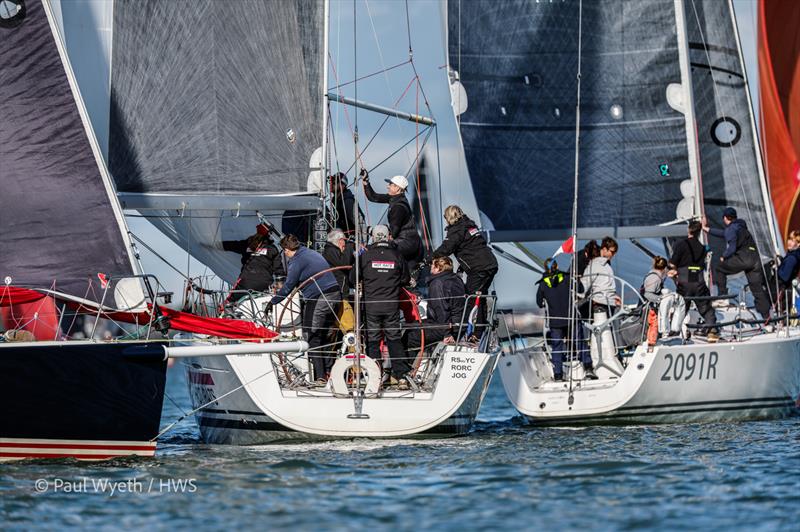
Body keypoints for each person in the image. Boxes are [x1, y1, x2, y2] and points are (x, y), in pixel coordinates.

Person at [269, 234, 341, 384]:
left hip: (319, 297)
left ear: (287, 250)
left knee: (311, 335)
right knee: (325, 334)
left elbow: (288, 285)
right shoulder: (310, 252)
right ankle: (330, 371)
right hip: (335, 294)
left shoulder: (296, 261)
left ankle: (321, 377)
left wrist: (273, 302)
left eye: (285, 252)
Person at [351, 225, 410, 387]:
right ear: (387, 236)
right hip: (391, 305)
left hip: (371, 306)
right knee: (394, 340)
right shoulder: (397, 255)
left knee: (373, 341)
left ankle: (374, 375)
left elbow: (352, 278)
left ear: (374, 237)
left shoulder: (365, 255)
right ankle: (402, 376)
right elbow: (405, 279)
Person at [432, 205, 498, 340]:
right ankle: (480, 330)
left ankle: (472, 334)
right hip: (490, 264)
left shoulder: (456, 230)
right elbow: (472, 248)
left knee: (470, 299)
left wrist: (430, 258)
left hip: (479, 268)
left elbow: (446, 248)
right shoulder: (469, 226)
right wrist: (462, 267)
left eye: (446, 217)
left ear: (449, 217)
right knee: (480, 297)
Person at [702, 207, 771, 318]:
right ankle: (767, 317)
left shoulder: (731, 229)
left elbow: (732, 248)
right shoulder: (741, 227)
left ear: (725, 218)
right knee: (757, 290)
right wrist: (707, 229)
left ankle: (723, 298)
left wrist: (724, 257)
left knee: (719, 268)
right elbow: (723, 233)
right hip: (755, 259)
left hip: (743, 259)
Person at [537, 259, 594, 381]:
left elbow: (539, 303)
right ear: (556, 266)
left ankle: (558, 374)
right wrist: (575, 279)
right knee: (579, 342)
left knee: (557, 347)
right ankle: (588, 368)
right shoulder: (567, 278)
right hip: (571, 318)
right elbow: (580, 289)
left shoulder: (542, 284)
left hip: (555, 322)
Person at [360, 169, 424, 271]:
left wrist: (372, 231)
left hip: (407, 243)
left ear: (398, 188)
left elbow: (393, 231)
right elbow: (373, 197)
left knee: (382, 250)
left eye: (391, 184)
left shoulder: (398, 207)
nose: (387, 186)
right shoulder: (394, 199)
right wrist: (365, 181)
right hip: (409, 242)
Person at [668, 220, 719, 342]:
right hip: (698, 281)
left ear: (688, 230)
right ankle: (712, 331)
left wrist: (673, 270)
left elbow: (672, 263)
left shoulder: (681, 244)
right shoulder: (702, 248)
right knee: (705, 307)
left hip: (684, 281)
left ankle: (672, 332)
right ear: (699, 232)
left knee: (681, 308)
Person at [580, 236, 623, 376]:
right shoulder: (594, 265)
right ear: (603, 249)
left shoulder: (604, 265)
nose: (613, 255)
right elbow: (585, 286)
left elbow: (604, 286)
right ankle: (601, 359)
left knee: (613, 332)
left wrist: (614, 296)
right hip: (601, 304)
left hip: (608, 303)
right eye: (612, 251)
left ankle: (614, 356)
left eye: (615, 252)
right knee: (605, 332)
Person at [405, 256, 466, 351]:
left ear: (438, 268)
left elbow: (441, 310)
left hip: (445, 326)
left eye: (432, 265)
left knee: (409, 336)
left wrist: (447, 333)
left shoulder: (437, 283)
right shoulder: (456, 279)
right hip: (458, 325)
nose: (430, 267)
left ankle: (407, 364)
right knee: (412, 326)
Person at [222, 224, 284, 293]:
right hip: (265, 283)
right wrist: (280, 284)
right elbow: (278, 268)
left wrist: (216, 244)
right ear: (269, 235)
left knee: (231, 302)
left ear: (257, 232)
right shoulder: (272, 249)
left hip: (246, 282)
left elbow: (232, 245)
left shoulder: (246, 244)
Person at [640, 256, 668, 349]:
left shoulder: (654, 276)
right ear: (664, 268)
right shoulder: (655, 278)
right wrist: (661, 299)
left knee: (654, 324)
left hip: (652, 306)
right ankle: (651, 344)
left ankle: (652, 342)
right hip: (650, 308)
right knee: (653, 324)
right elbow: (648, 294)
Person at [322, 229, 355, 296]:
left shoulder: (332, 250)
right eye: (344, 241)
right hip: (336, 290)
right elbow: (344, 263)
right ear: (340, 241)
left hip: (339, 288)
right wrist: (350, 246)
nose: (344, 246)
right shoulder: (330, 251)